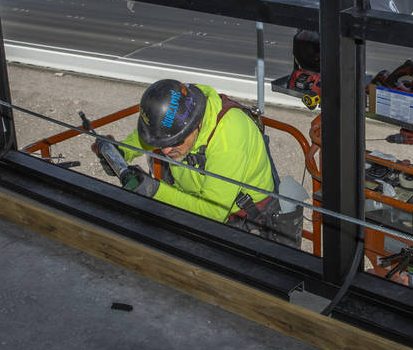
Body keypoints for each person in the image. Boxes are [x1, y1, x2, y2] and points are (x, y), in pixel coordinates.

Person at [99, 79, 298, 244]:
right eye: (161, 143)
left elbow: (212, 213)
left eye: (175, 142)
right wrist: (121, 152)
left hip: (244, 222)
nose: (166, 150)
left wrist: (155, 190)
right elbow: (153, 135)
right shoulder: (185, 107)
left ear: (197, 124)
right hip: (193, 202)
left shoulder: (230, 136)